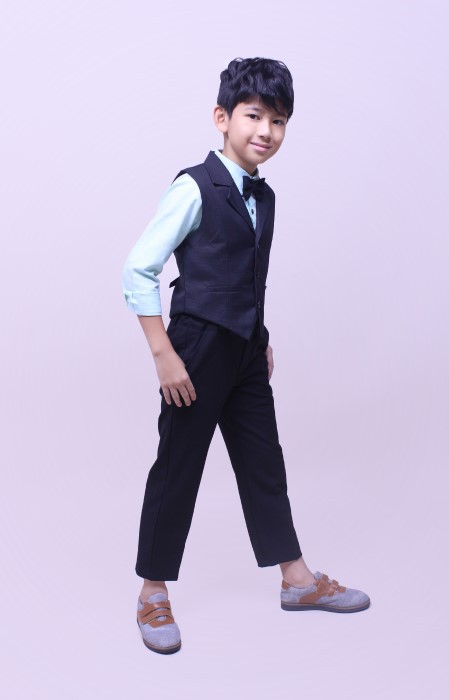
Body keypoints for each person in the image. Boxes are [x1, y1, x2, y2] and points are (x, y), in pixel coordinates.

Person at [122, 56, 370, 655]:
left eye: (279, 121)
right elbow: (138, 269)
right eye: (255, 116)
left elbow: (245, 275)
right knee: (179, 465)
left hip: (246, 350)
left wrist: (259, 335)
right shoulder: (194, 186)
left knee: (264, 463)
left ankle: (297, 580)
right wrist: (163, 354)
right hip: (195, 350)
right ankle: (152, 592)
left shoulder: (267, 197)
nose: (267, 131)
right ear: (222, 118)